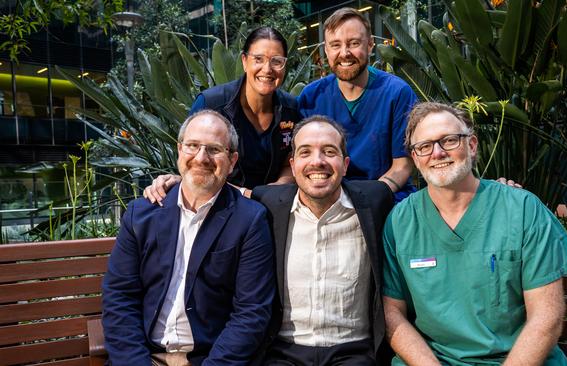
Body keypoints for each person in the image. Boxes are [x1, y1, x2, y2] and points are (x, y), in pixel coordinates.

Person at [381, 102, 567, 366]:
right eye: (425, 146)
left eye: (449, 140)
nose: (437, 153)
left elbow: (547, 316)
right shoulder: (401, 221)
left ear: (472, 145)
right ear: (416, 158)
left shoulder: (522, 209)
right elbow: (392, 312)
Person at [102, 110, 275, 365]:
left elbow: (251, 314)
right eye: (192, 146)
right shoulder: (142, 214)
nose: (201, 158)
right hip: (144, 357)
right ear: (179, 150)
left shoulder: (249, 220)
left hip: (208, 359)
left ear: (232, 160)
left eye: (214, 149)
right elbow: (119, 298)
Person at [252, 115, 394, 365]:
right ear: (293, 165)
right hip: (284, 352)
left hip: (354, 351)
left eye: (329, 151)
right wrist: (177, 182)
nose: (317, 162)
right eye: (306, 152)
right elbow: (219, 192)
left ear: (345, 164)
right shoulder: (268, 203)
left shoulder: (375, 202)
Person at [145, 27, 300, 202]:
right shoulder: (211, 104)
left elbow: (291, 160)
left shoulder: (291, 109)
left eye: (276, 61)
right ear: (244, 61)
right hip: (219, 206)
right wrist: (247, 195)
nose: (267, 69)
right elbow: (194, 162)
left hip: (275, 206)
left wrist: (279, 187)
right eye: (258, 59)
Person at [297, 7, 419, 202]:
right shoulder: (311, 97)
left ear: (370, 45)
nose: (345, 53)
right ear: (326, 50)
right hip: (328, 199)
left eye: (354, 43)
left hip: (386, 197)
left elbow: (402, 165)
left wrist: (365, 200)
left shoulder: (397, 93)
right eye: (335, 45)